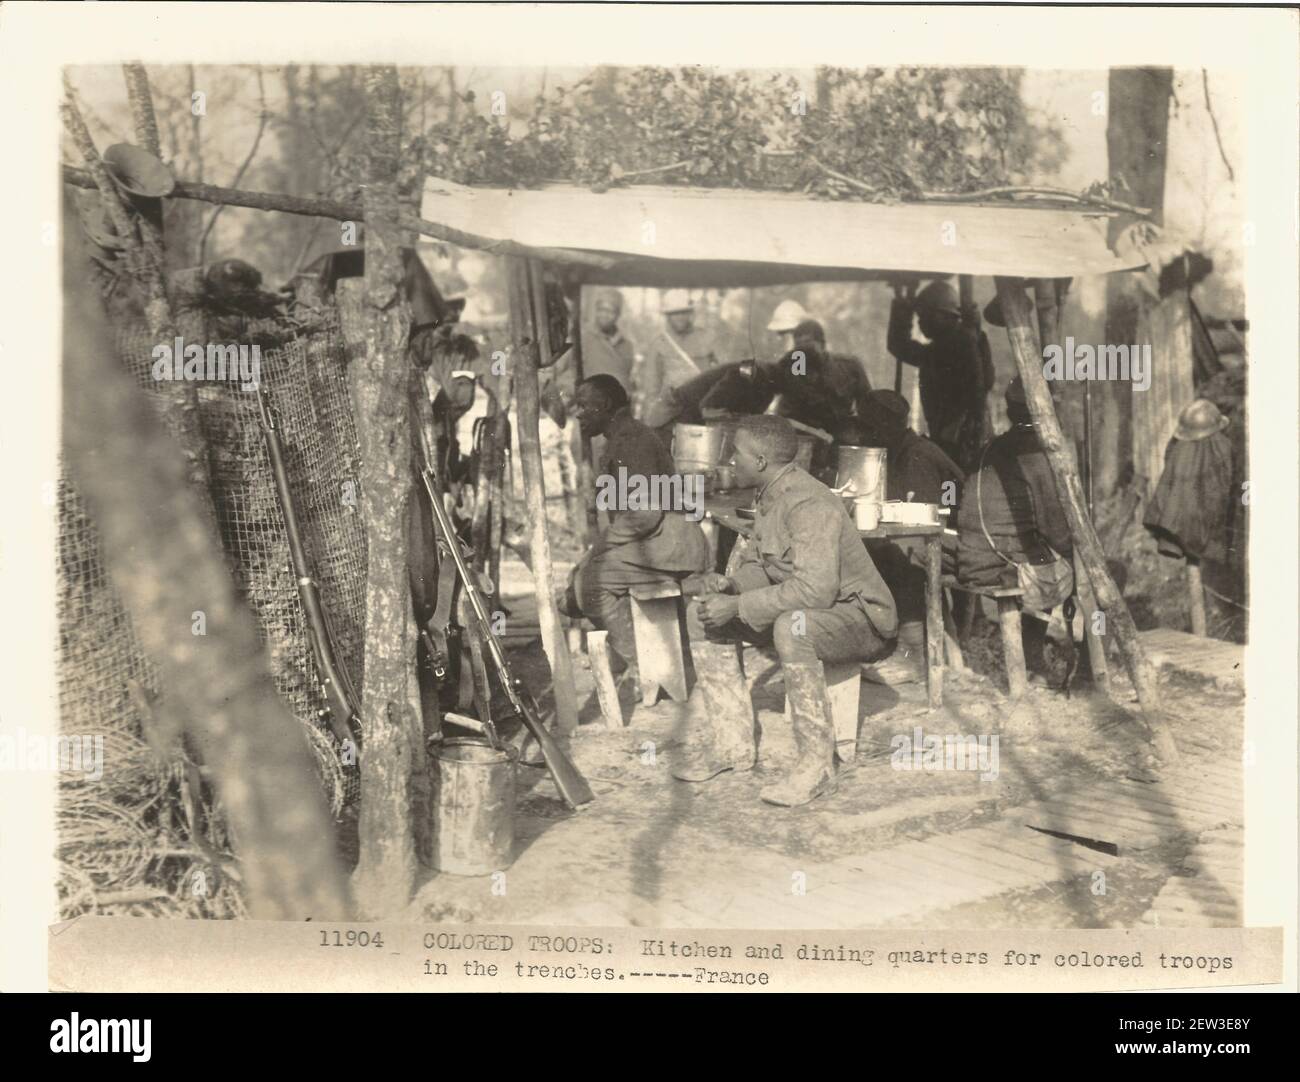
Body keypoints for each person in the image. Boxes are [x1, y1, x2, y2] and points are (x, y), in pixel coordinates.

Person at [675, 415, 897, 806]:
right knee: (702, 615)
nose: (729, 461)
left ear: (760, 461)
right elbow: (770, 565)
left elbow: (815, 590)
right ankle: (731, 747)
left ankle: (817, 767)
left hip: (862, 620)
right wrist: (733, 585)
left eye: (736, 454)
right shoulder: (771, 493)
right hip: (817, 611)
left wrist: (739, 605)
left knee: (792, 628)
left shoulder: (810, 503)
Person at [565, 374, 710, 688]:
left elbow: (645, 513)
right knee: (575, 585)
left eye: (583, 405)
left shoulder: (631, 440)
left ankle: (650, 665)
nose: (577, 413)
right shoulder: (624, 436)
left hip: (669, 542)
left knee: (589, 585)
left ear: (604, 406)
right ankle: (652, 655)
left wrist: (601, 548)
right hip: (656, 541)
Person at [955, 377, 1075, 679]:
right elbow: (1057, 531)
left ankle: (1036, 656)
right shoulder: (1036, 454)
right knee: (1078, 567)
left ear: (1010, 412)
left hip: (972, 557)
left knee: (1040, 552)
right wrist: (1080, 555)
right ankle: (1081, 667)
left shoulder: (992, 447)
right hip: (1002, 566)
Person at [856, 390, 964, 681]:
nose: (865, 433)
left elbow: (925, 520)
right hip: (937, 535)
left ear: (886, 425)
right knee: (878, 550)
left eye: (869, 425)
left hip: (959, 540)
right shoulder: (901, 450)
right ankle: (889, 642)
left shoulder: (918, 456)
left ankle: (913, 655)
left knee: (900, 555)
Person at [887, 279, 994, 471]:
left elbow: (899, 345)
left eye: (924, 316)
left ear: (942, 316)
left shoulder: (958, 344)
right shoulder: (959, 341)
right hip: (956, 435)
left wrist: (904, 305)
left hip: (959, 438)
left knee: (952, 486)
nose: (920, 323)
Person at [635, 290, 724, 419]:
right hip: (670, 413)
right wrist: (652, 417)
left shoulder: (706, 338)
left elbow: (721, 374)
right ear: (668, 316)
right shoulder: (659, 343)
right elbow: (651, 387)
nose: (680, 317)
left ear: (690, 313)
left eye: (684, 312)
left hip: (702, 412)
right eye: (675, 313)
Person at [581, 288, 637, 388]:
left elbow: (627, 375)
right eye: (601, 310)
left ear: (618, 315)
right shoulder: (584, 339)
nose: (605, 315)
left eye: (611, 311)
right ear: (596, 311)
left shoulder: (627, 345)